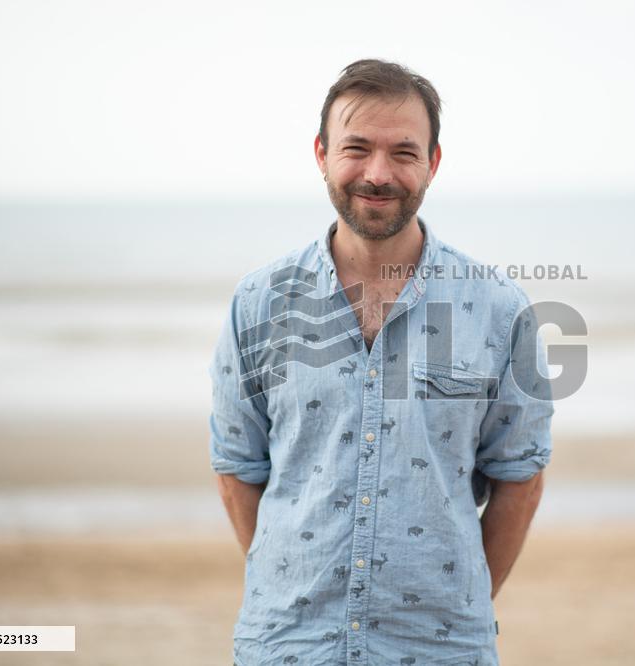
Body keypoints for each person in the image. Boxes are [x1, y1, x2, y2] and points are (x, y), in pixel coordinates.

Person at [209, 58, 554, 666]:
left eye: (403, 152)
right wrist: (292, 582)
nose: (377, 173)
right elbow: (238, 466)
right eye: (356, 148)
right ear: (321, 154)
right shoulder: (260, 302)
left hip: (442, 651)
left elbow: (520, 477)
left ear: (433, 163)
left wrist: (459, 606)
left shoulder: (498, 309)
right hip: (287, 647)